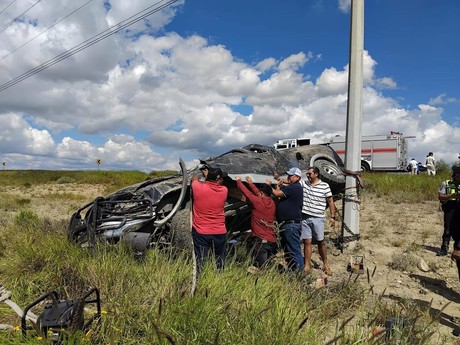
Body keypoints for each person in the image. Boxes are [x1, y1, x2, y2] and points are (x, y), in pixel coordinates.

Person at [191, 167, 228, 275]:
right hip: (220, 232)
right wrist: (209, 177)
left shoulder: (197, 187)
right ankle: (219, 278)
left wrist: (204, 176)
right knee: (220, 260)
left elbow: (195, 178)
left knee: (201, 260)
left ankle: (200, 279)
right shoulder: (224, 190)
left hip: (202, 232)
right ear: (218, 180)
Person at [267, 167, 304, 272]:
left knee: (293, 249)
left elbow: (277, 194)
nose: (288, 177)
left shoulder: (295, 187)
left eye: (290, 176)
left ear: (297, 177)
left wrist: (269, 186)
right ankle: (294, 271)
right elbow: (281, 194)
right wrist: (278, 186)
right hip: (287, 224)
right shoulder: (292, 188)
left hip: (291, 224)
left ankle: (298, 272)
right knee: (289, 250)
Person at [235, 176, 277, 268]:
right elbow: (259, 193)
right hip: (271, 239)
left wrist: (238, 181)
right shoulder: (272, 202)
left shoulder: (258, 202)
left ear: (262, 193)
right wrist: (250, 183)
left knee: (260, 267)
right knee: (268, 265)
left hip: (260, 241)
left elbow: (248, 193)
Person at [300, 166, 336, 275]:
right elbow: (293, 180)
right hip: (305, 216)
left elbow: (330, 201)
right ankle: (307, 265)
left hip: (318, 217)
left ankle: (325, 264)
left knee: (321, 241)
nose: (308, 176)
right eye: (307, 174)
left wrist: (332, 217)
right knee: (307, 242)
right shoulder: (304, 184)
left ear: (316, 174)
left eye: (310, 174)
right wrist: (280, 179)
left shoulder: (324, 186)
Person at [436, 164, 460, 257]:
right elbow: (440, 196)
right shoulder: (446, 183)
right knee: (448, 228)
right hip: (450, 208)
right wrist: (451, 196)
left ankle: (456, 250)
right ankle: (444, 248)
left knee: (458, 229)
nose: (458, 176)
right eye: (457, 174)